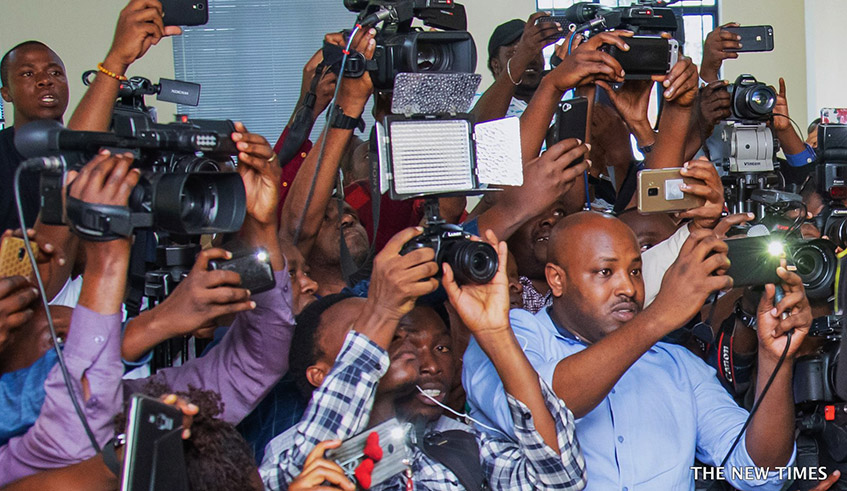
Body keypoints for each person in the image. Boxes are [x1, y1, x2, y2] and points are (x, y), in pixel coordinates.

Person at [464, 211, 811, 490]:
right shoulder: (508, 340)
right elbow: (542, 409)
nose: (628, 287)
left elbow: (759, 473)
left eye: (635, 271)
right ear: (556, 279)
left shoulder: (675, 366)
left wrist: (775, 359)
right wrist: (659, 315)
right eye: (605, 271)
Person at [260, 227, 585, 490]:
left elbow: (558, 478)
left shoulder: (454, 445)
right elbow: (304, 464)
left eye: (393, 326)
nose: (388, 335)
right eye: (363, 331)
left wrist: (495, 334)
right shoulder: (290, 456)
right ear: (321, 373)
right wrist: (382, 310)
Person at [0, 41, 68, 233]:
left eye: (55, 73)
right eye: (28, 74)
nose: (45, 80)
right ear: (6, 93)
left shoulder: (91, 152)